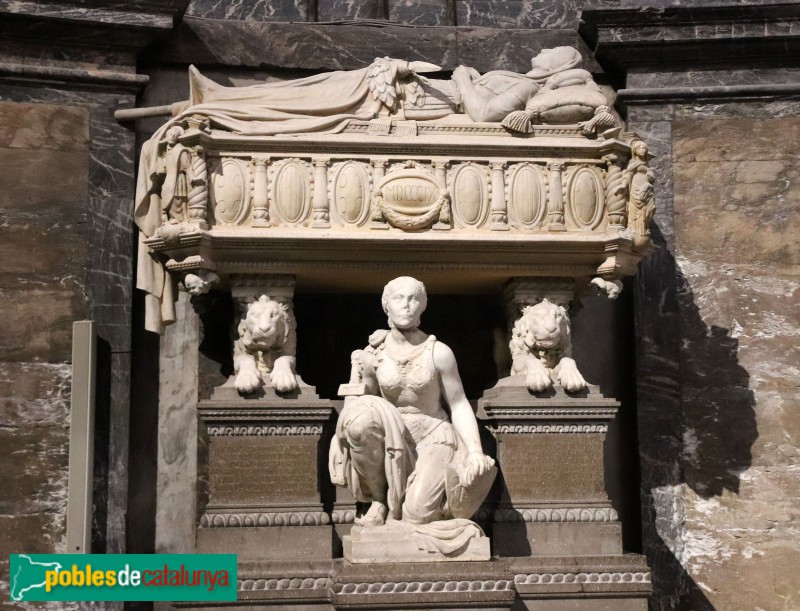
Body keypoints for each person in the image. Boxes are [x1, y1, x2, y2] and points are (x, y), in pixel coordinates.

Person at [329, 277, 495, 541]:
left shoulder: (438, 352)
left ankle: (417, 516)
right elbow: (366, 404)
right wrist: (368, 374)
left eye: (413, 299)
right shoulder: (374, 353)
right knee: (359, 425)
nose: (406, 306)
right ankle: (379, 501)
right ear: (386, 306)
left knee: (417, 514)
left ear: (422, 306)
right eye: (398, 298)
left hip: (432, 436)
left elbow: (458, 403)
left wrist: (475, 451)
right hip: (391, 436)